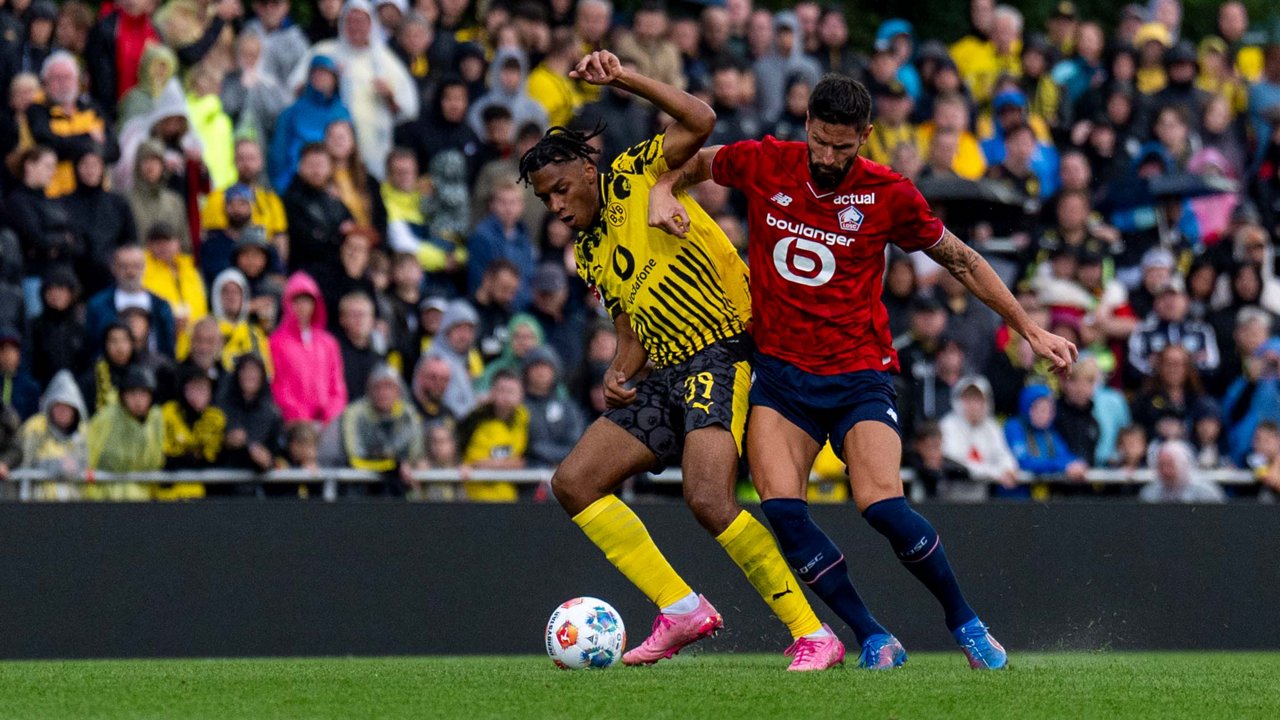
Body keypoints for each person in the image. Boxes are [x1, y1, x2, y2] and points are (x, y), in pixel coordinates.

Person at [649, 73, 1075, 670]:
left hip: (858, 374)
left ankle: (966, 621)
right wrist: (664, 187)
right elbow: (692, 160)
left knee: (881, 503)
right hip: (781, 377)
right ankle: (872, 634)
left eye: (842, 148)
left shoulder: (889, 192)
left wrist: (1030, 328)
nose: (827, 158)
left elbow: (962, 259)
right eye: (820, 142)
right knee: (783, 509)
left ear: (866, 137)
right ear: (806, 127)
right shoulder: (766, 162)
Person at [521, 50, 839, 670]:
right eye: (544, 199)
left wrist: (625, 79)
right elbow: (630, 318)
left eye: (560, 189)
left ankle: (812, 633)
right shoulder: (588, 252)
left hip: (722, 350)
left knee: (708, 498)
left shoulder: (634, 175)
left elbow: (700, 118)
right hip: (666, 369)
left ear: (588, 171)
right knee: (574, 483)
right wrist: (620, 369)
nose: (556, 206)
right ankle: (681, 607)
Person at [268, 272, 347, 425]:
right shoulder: (275, 342)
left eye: (308, 301)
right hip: (293, 424)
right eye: (297, 301)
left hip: (326, 424)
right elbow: (277, 385)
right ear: (287, 303)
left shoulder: (328, 343)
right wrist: (299, 417)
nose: (303, 307)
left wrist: (330, 415)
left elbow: (337, 385)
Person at [338, 364, 427, 497]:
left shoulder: (409, 415)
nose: (383, 393)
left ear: (398, 390)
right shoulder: (355, 414)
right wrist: (394, 466)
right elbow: (355, 457)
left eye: (389, 386)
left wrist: (414, 464)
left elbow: (415, 454)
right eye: (378, 387)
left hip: (397, 488)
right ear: (369, 390)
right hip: (359, 486)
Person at [269, 55, 351, 192]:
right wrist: (281, 184)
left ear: (335, 79)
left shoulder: (342, 112)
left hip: (339, 182)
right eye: (316, 74)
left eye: (326, 74)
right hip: (298, 182)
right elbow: (279, 152)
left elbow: (351, 150)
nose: (321, 78)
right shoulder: (292, 113)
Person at [85, 365, 164, 500]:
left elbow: (157, 463)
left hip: (143, 502)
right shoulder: (106, 417)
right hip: (104, 500)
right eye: (132, 393)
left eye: (144, 394)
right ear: (123, 395)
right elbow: (87, 457)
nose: (138, 400)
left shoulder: (156, 419)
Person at [939, 376, 1018, 499]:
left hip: (982, 498)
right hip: (951, 497)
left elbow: (1003, 454)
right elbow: (956, 463)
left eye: (978, 399)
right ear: (959, 400)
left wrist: (1008, 468)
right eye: (968, 399)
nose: (973, 405)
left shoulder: (991, 427)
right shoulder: (947, 425)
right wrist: (995, 473)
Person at [18, 369, 89, 500]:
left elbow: (87, 463)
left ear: (75, 410)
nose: (63, 412)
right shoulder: (35, 428)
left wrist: (75, 466)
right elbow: (24, 462)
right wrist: (58, 466)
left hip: (75, 505)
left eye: (68, 407)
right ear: (50, 406)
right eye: (58, 406)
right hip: (37, 504)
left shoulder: (83, 432)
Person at [217, 353, 281, 475]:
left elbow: (278, 453)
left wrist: (267, 460)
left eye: (254, 371)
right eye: (245, 371)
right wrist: (225, 442)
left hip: (256, 484)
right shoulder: (222, 407)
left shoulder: (271, 414)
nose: (249, 376)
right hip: (224, 480)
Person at [1138, 440, 1226, 503]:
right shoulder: (1149, 494)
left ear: (1183, 465)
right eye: (1161, 465)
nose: (1165, 471)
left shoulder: (1206, 493)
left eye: (1170, 465)